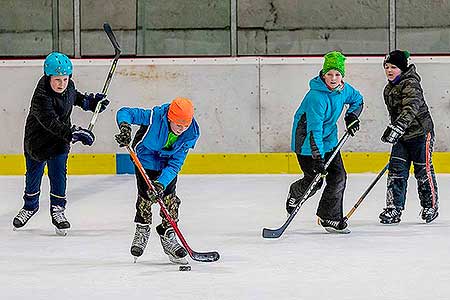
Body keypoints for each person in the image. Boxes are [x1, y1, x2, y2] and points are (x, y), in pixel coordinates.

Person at [12, 52, 109, 235]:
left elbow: (76, 97)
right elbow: (51, 123)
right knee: (34, 176)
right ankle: (30, 206)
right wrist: (74, 133)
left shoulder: (68, 86)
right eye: (57, 80)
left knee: (58, 176)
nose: (61, 84)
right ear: (48, 77)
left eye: (65, 79)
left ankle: (58, 210)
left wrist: (91, 102)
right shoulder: (41, 97)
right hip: (37, 143)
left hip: (59, 143)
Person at [115, 97, 199, 264]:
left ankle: (168, 235)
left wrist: (161, 183)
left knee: (170, 200)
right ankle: (142, 227)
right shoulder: (155, 116)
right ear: (170, 118)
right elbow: (125, 112)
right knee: (146, 198)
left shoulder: (191, 133)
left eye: (185, 126)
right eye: (178, 125)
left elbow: (175, 164)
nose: (182, 130)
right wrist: (125, 127)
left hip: (167, 165)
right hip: (145, 160)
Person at [286, 51, 363, 234]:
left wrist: (351, 116)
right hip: (306, 143)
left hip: (329, 140)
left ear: (342, 76)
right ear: (323, 74)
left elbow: (358, 100)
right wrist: (318, 158)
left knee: (338, 177)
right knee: (314, 180)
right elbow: (314, 130)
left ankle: (330, 217)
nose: (333, 78)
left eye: (337, 74)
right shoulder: (316, 97)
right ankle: (295, 192)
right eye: (329, 74)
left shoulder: (344, 90)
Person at [379, 50, 439, 224]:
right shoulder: (388, 89)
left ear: (402, 68)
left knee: (423, 170)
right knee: (396, 172)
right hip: (402, 137)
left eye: (394, 67)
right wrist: (393, 129)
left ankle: (430, 205)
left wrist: (397, 128)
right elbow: (395, 114)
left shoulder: (411, 83)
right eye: (387, 67)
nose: (389, 70)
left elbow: (410, 109)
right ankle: (393, 208)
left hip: (421, 134)